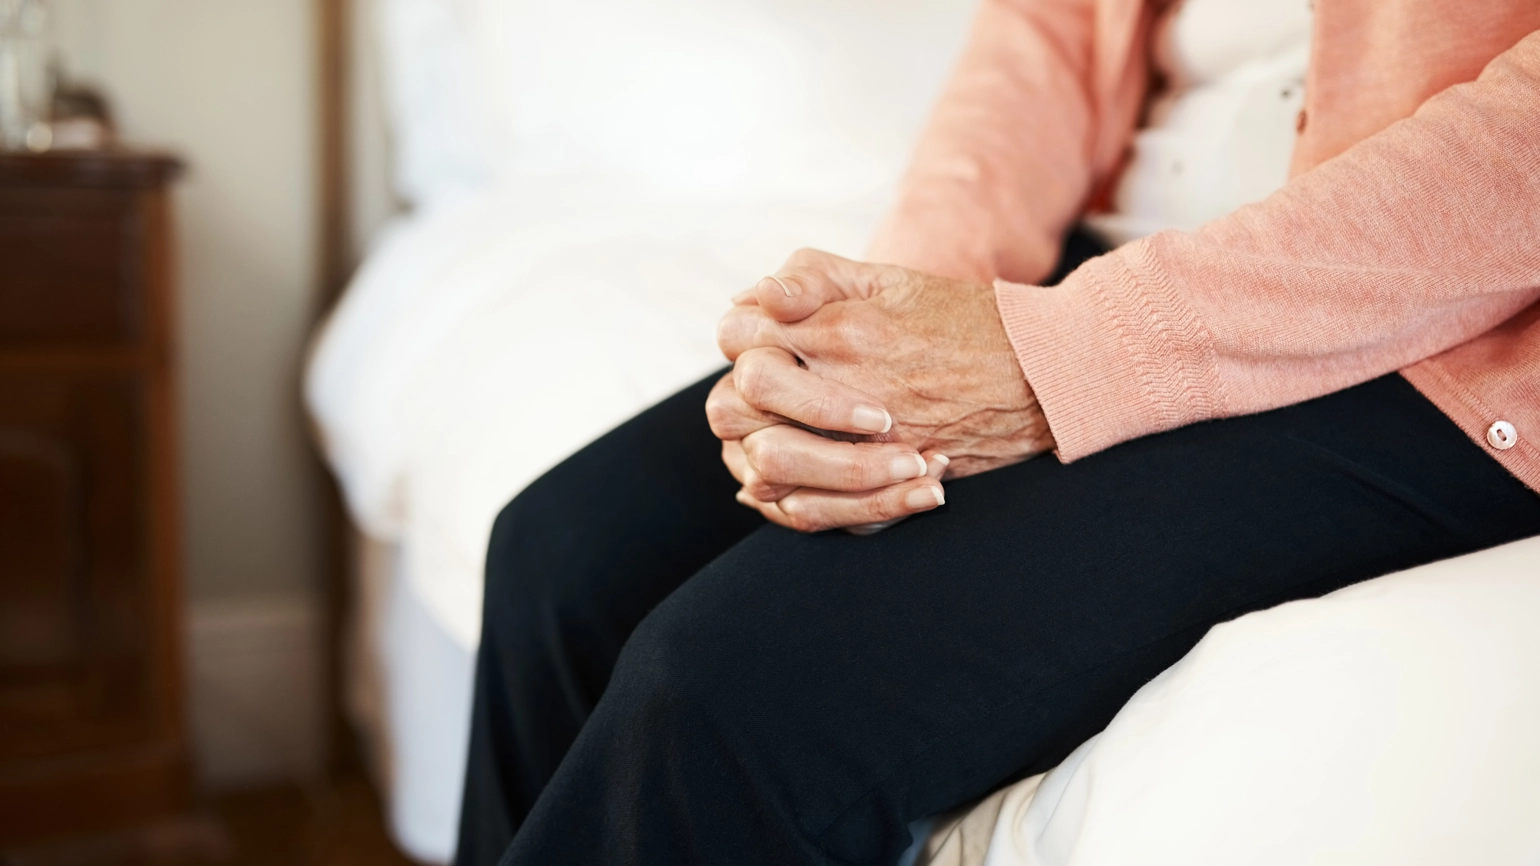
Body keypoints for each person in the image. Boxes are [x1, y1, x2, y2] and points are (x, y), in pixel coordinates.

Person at [455, 0, 1540, 863]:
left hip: (1430, 334)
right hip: (1129, 245)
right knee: (564, 556)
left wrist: (1057, 355)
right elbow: (1046, 34)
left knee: (723, 690)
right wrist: (897, 321)